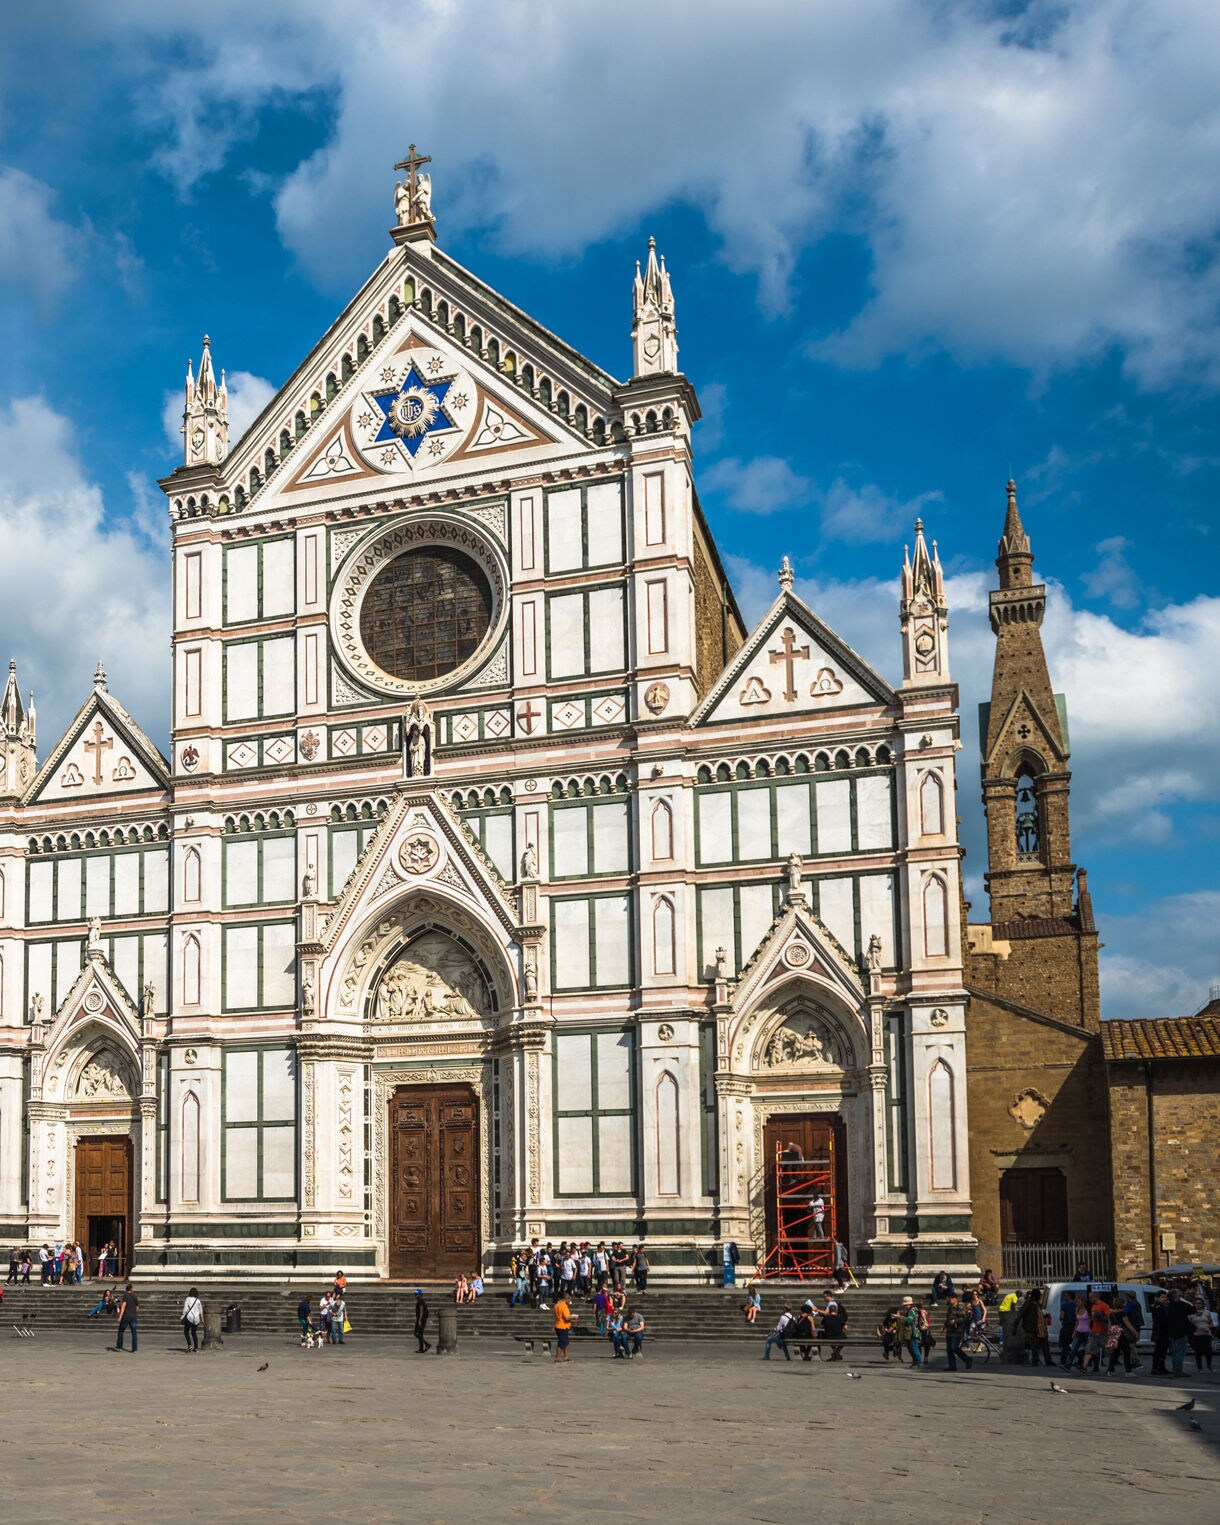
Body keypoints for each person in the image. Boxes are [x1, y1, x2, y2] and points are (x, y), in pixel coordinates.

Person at [1107, 1292, 1143, 1375]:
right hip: (1123, 1334)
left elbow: (1109, 1326)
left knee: (1115, 1353)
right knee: (1126, 1352)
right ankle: (1128, 1371)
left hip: (1115, 1333)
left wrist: (1110, 1334)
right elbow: (1128, 1325)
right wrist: (1135, 1332)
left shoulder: (1111, 1314)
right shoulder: (1122, 1314)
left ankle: (1110, 1370)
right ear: (1121, 1304)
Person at [1021, 1288, 1053, 1366]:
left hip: (1042, 1329)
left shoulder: (1038, 1304)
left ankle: (1048, 1361)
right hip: (1035, 1329)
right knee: (1034, 1347)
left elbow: (1039, 1315)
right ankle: (1035, 1361)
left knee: (1045, 1347)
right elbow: (1021, 1315)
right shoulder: (1029, 1303)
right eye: (1040, 1295)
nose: (1041, 1297)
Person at [1166, 1289, 1193, 1378]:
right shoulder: (1180, 1305)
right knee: (1180, 1352)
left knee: (1176, 1352)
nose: (1180, 1297)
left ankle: (1176, 1369)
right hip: (1181, 1332)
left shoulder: (1169, 1306)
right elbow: (1191, 1309)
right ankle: (1178, 1370)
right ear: (1175, 1297)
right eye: (1179, 1296)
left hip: (1173, 1332)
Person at [1084, 1292, 1111, 1375]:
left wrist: (1108, 1329)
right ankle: (1083, 1367)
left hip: (1103, 1333)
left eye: (1091, 1297)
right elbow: (1094, 1318)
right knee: (1089, 1349)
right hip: (1094, 1332)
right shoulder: (1093, 1306)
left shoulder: (1104, 1305)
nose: (1090, 1299)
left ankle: (1110, 1368)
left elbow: (1109, 1317)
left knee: (1108, 1352)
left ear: (1096, 1297)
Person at [944, 1293, 973, 1372]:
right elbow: (948, 1319)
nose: (950, 1300)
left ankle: (967, 1359)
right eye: (949, 1298)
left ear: (955, 1299)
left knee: (954, 1348)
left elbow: (963, 1318)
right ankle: (952, 1366)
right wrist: (944, 1326)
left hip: (957, 1331)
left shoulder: (959, 1306)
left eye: (951, 1298)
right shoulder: (950, 1308)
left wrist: (955, 1321)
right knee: (949, 1350)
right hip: (949, 1331)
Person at [1188, 1298, 1214, 1372]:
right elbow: (1190, 1323)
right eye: (1196, 1303)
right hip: (1197, 1334)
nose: (1198, 1305)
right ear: (1194, 1304)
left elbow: (1210, 1322)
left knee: (1208, 1351)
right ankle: (1200, 1368)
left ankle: (1209, 1365)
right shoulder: (1192, 1312)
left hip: (1206, 1333)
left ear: (1202, 1304)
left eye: (1200, 1303)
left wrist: (1209, 1326)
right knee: (1198, 1351)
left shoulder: (1207, 1312)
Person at [113, 1282, 138, 1353]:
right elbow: (137, 1307)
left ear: (126, 1289)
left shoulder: (125, 1296)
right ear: (131, 1289)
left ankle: (119, 1346)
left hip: (126, 1316)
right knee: (134, 1332)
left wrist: (120, 1316)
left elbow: (123, 1305)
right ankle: (134, 1349)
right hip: (133, 1316)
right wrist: (134, 1313)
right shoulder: (135, 1296)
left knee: (121, 1330)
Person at [1150, 1290, 1170, 1375]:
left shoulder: (1163, 1306)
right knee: (1158, 1351)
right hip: (1159, 1332)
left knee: (1163, 1351)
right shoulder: (1158, 1307)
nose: (1165, 1299)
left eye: (1165, 1297)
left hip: (1164, 1332)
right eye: (1162, 1297)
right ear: (1158, 1298)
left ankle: (1162, 1367)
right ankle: (1155, 1368)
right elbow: (1161, 1320)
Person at [553, 1290, 576, 1363]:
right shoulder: (564, 1306)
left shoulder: (556, 1305)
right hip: (563, 1326)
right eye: (569, 1300)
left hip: (558, 1325)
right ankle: (557, 1358)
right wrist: (574, 1317)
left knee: (565, 1342)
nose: (570, 1301)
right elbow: (566, 1318)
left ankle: (566, 1357)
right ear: (566, 1299)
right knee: (561, 1343)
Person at [181, 1286, 203, 1353]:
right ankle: (196, 1348)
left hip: (189, 1318)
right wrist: (202, 1319)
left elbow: (185, 1309)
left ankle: (189, 1345)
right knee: (194, 1333)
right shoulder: (198, 1301)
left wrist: (183, 1315)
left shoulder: (187, 1299)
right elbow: (201, 1311)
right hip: (196, 1319)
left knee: (186, 1331)